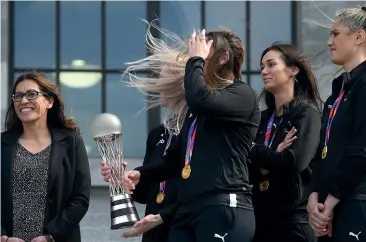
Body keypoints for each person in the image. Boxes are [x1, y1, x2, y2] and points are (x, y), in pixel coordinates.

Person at [122, 28, 261, 242]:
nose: (196, 59)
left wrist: (195, 58)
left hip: (223, 203)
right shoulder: (198, 110)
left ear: (224, 58)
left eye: (205, 53)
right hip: (188, 209)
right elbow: (174, 159)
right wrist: (141, 174)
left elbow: (198, 97)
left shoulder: (241, 94)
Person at [101, 22, 190, 242]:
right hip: (153, 232)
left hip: (185, 228)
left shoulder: (197, 128)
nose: (157, 84)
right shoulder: (158, 134)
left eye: (163, 78)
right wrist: (124, 179)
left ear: (180, 84)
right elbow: (144, 194)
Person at [1, 72, 91, 242]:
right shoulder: (2, 145)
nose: (24, 101)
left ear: (49, 101)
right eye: (18, 96)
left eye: (32, 94)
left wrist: (50, 236)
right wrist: (3, 237)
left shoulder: (71, 142)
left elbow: (80, 199)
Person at [250, 43, 322, 242]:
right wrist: (273, 154)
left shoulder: (306, 113)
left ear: (293, 70)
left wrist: (259, 153)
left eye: (271, 65)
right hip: (260, 219)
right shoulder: (261, 118)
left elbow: (294, 162)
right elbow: (243, 164)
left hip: (293, 222)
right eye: (262, 67)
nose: (264, 71)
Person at [308, 6, 366, 242]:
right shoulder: (336, 94)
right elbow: (323, 152)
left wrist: (330, 201)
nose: (328, 42)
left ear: (359, 37)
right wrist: (314, 197)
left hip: (356, 203)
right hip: (329, 210)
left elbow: (362, 148)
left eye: (335, 34)